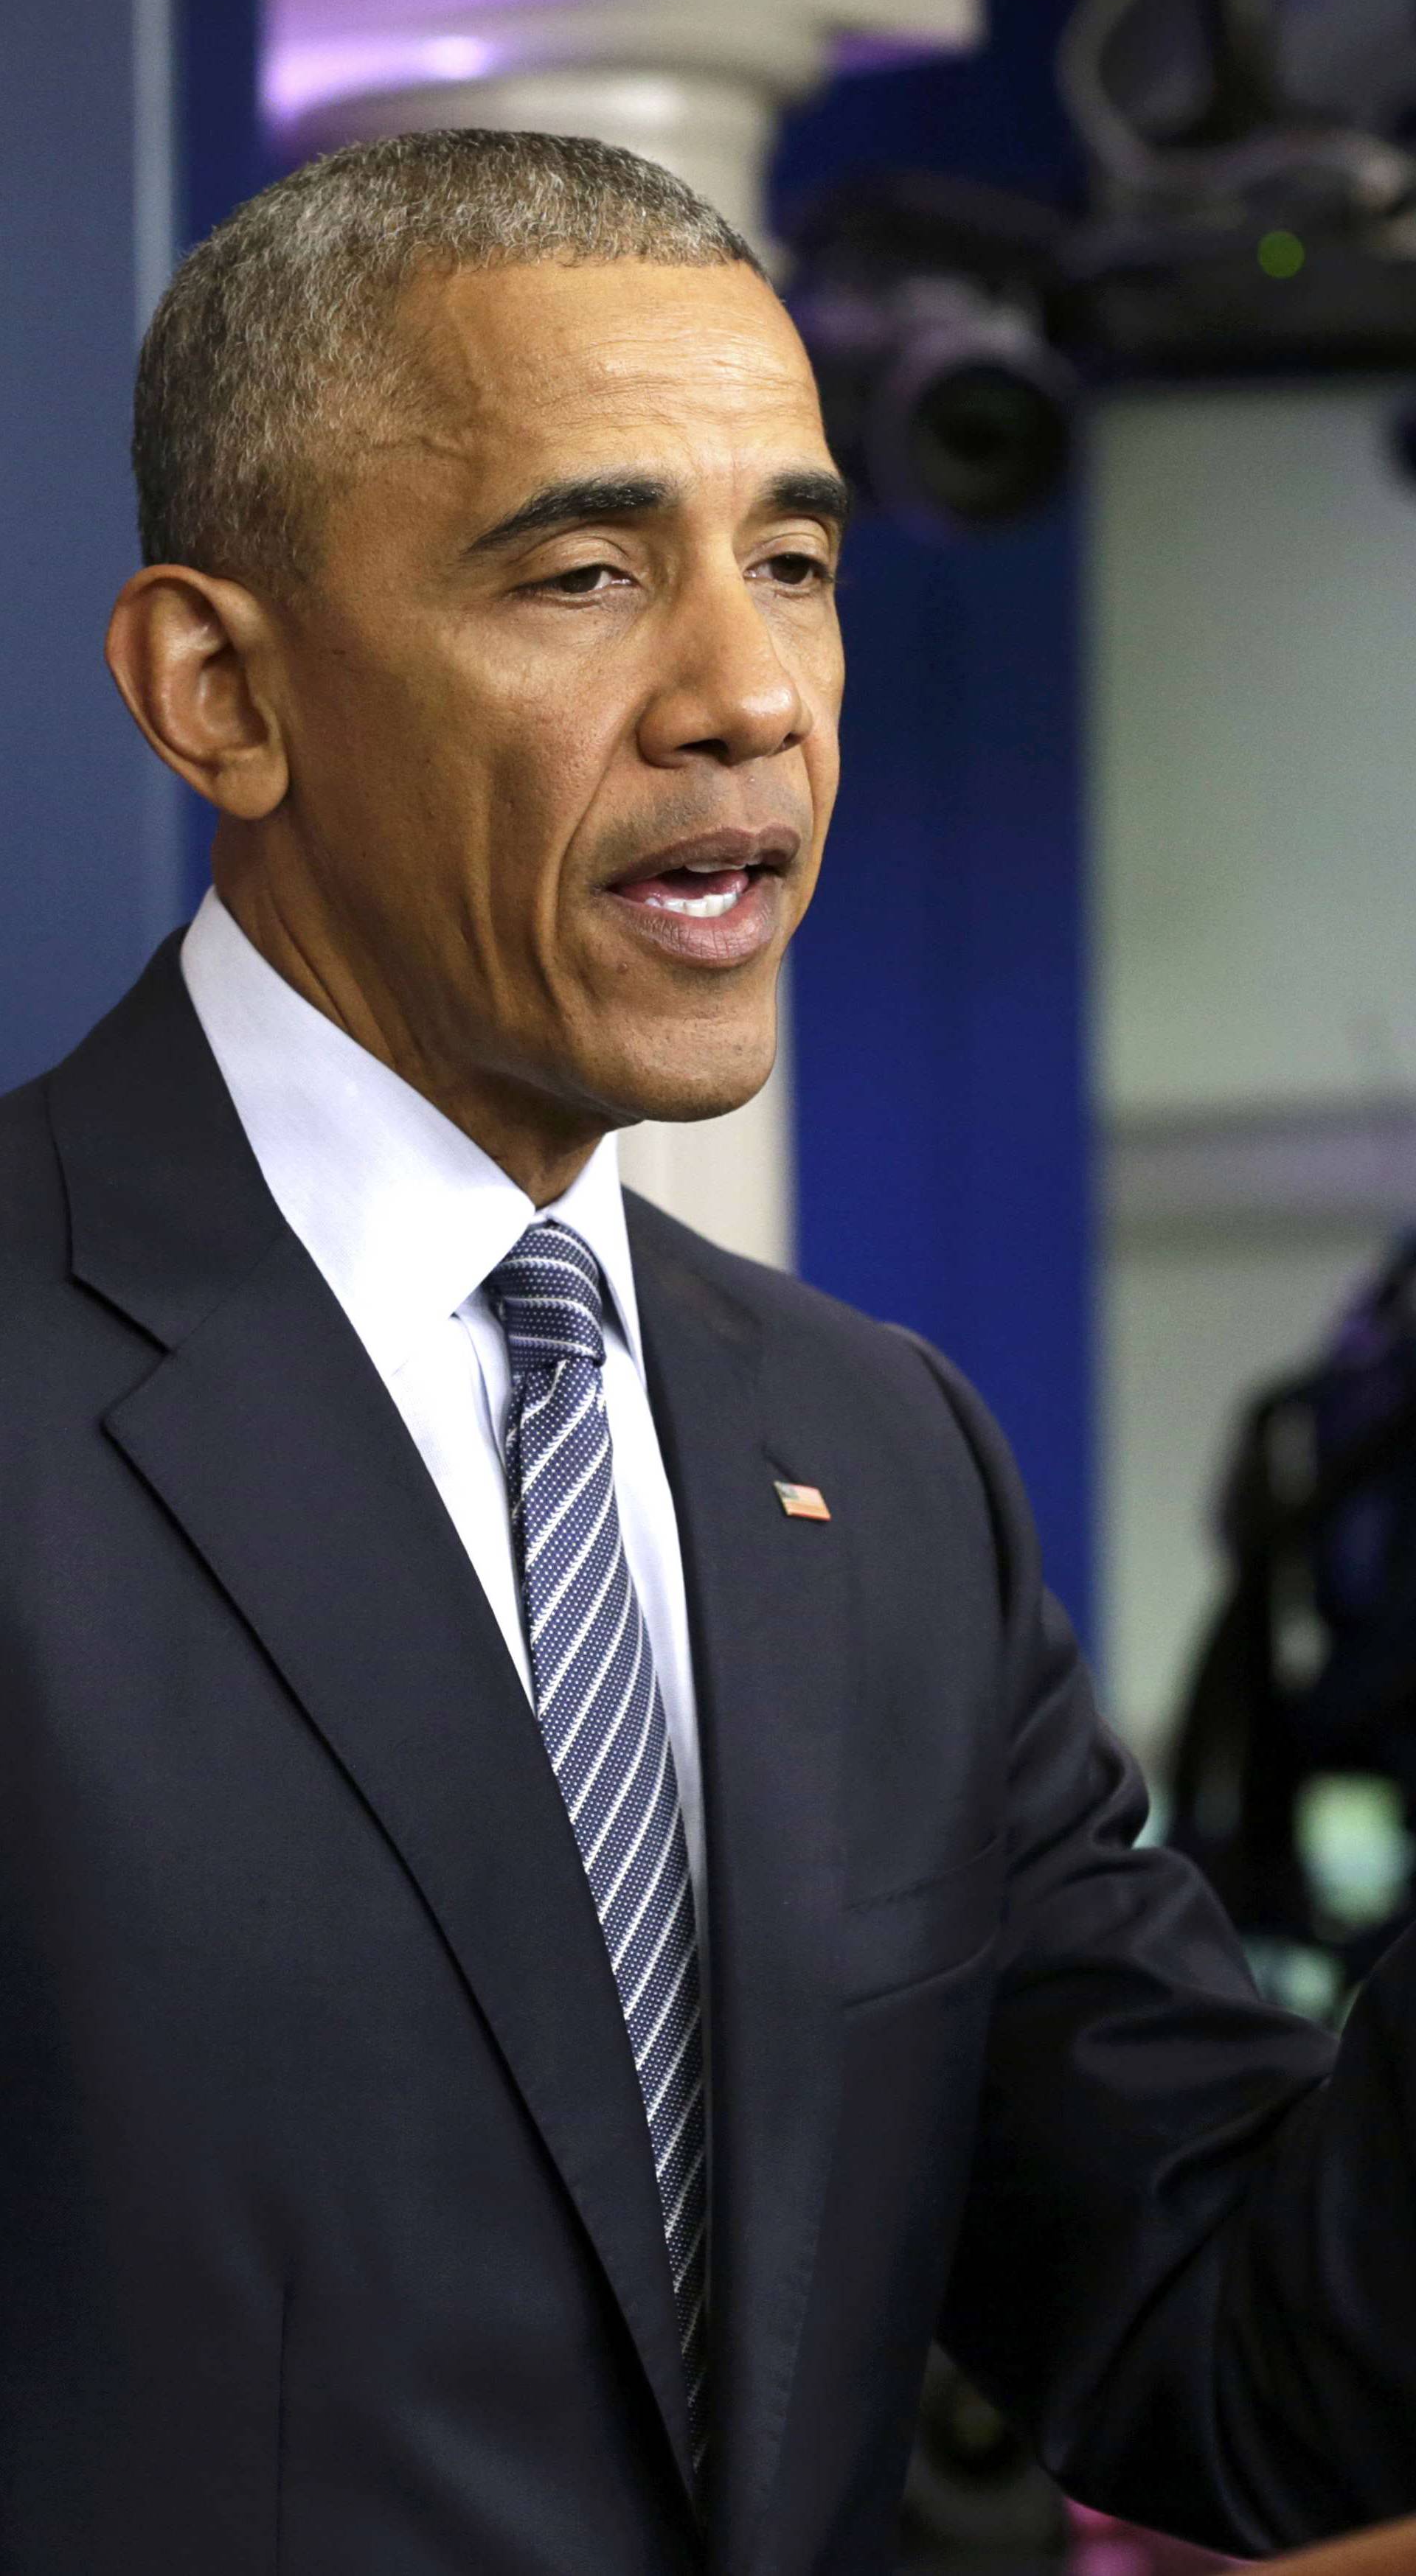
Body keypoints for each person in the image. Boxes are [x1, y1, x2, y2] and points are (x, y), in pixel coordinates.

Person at [1, 128, 1411, 2576]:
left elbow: (1235, 2356)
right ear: (219, 690)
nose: (748, 695)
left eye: (794, 559)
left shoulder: (878, 1461)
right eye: (583, 571)